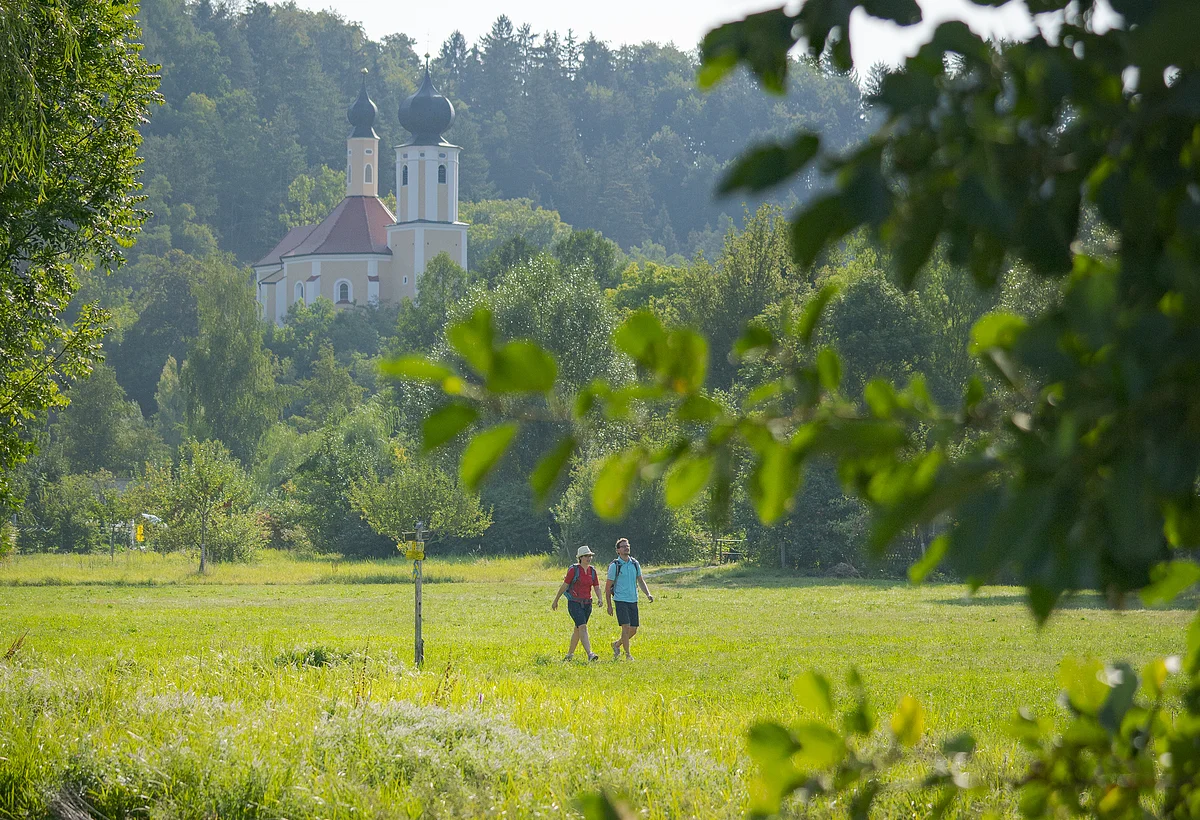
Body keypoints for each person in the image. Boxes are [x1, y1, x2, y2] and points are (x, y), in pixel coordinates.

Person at [551, 545, 601, 662]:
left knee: (578, 629)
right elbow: (565, 585)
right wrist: (556, 600)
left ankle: (569, 655)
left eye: (589, 556)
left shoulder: (592, 571)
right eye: (586, 556)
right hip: (574, 603)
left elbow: (596, 586)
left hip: (587, 604)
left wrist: (600, 598)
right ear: (580, 558)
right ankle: (590, 654)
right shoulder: (574, 570)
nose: (588, 558)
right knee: (582, 627)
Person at [605, 537, 653, 660]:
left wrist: (648, 594)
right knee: (625, 627)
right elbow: (607, 586)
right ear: (618, 550)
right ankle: (627, 654)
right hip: (620, 600)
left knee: (633, 629)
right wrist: (609, 605)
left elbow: (641, 581)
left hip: (633, 599)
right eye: (623, 546)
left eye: (628, 546)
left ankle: (616, 644)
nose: (627, 548)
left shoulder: (635, 564)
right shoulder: (615, 566)